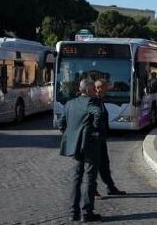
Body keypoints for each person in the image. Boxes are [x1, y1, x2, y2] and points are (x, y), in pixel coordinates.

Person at [58, 79, 104, 222]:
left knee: (76, 178)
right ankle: (87, 212)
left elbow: (61, 123)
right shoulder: (90, 102)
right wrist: (95, 128)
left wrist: (71, 135)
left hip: (75, 146)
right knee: (89, 178)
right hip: (89, 145)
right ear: (89, 90)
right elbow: (98, 113)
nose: (95, 92)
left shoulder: (70, 103)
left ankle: (73, 213)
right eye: (93, 89)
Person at [94, 79, 127, 200]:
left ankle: (110, 187)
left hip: (102, 138)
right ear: (98, 88)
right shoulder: (93, 100)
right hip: (95, 139)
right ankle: (94, 190)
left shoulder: (100, 100)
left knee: (104, 164)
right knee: (95, 166)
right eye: (105, 87)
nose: (108, 90)